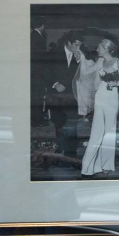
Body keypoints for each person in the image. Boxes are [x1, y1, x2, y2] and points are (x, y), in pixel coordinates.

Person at [81, 38, 119, 177]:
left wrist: (115, 83)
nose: (97, 50)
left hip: (112, 98)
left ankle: (106, 165)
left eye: (99, 48)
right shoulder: (100, 61)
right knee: (96, 131)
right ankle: (87, 167)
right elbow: (88, 71)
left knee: (109, 132)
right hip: (100, 97)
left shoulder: (118, 62)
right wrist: (81, 57)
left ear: (106, 48)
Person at [45, 30, 83, 158]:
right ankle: (61, 147)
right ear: (68, 43)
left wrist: (80, 61)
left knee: (72, 123)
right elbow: (44, 73)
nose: (78, 48)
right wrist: (55, 84)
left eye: (79, 45)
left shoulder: (80, 55)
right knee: (59, 122)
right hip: (56, 95)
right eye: (76, 45)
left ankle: (71, 152)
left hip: (72, 96)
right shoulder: (53, 54)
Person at [72, 42, 99, 118]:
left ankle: (87, 115)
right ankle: (83, 115)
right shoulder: (80, 62)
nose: (77, 56)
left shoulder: (90, 62)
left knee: (86, 99)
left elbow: (91, 73)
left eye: (79, 54)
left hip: (86, 84)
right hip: (80, 83)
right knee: (81, 99)